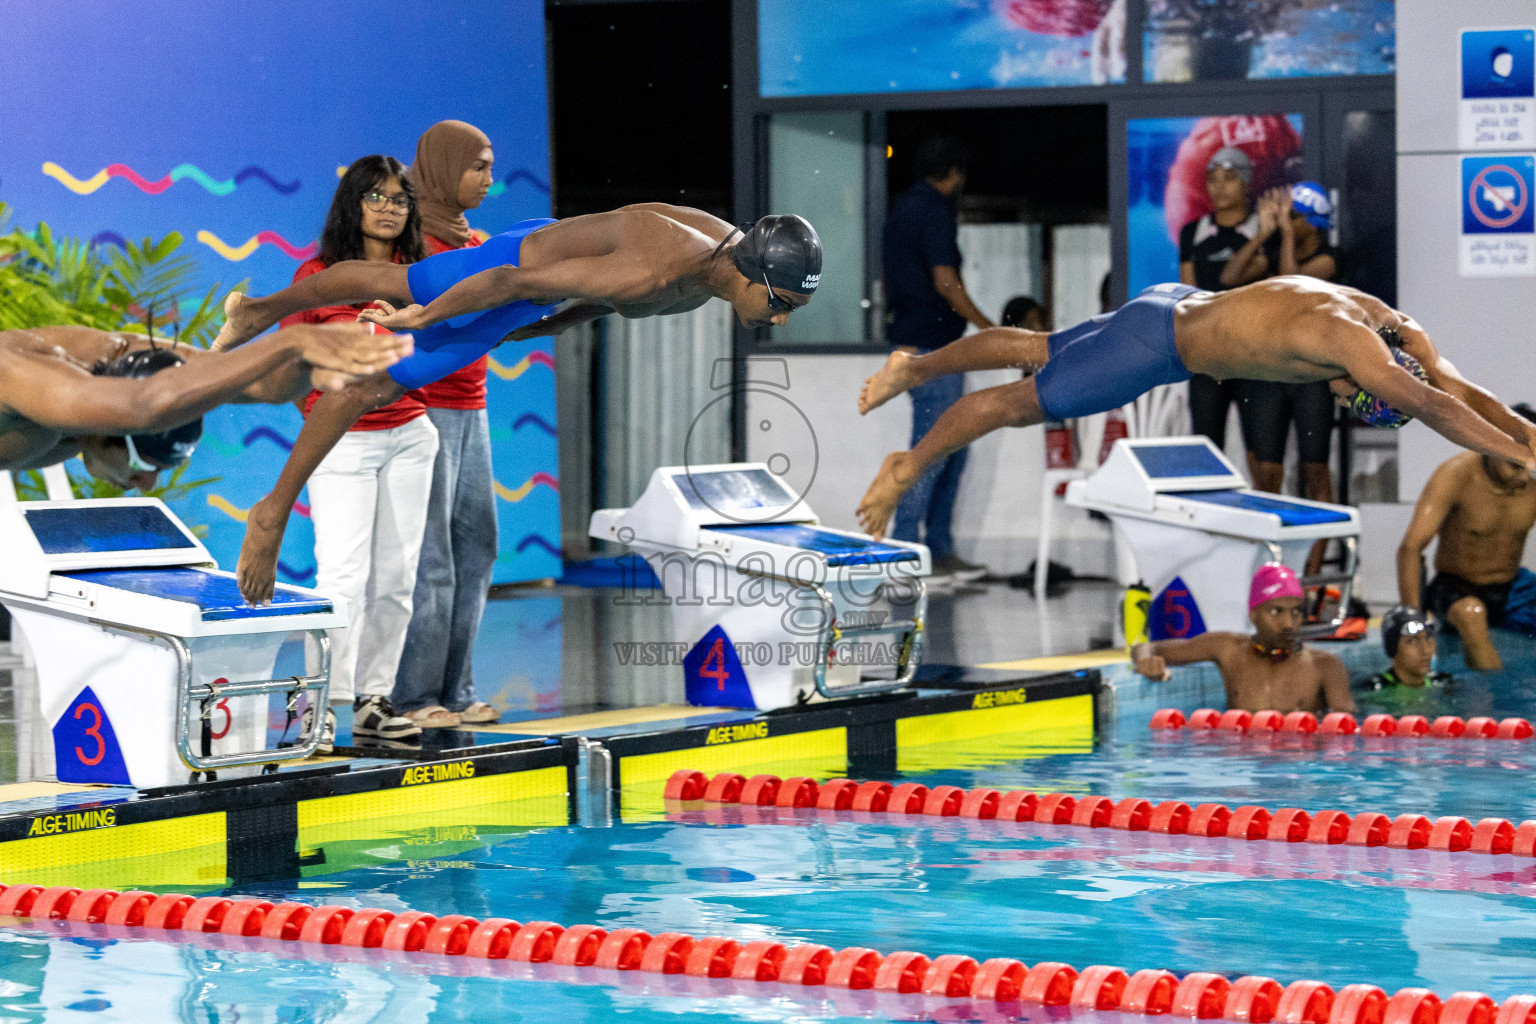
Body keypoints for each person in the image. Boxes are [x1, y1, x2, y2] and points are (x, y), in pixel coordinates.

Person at [213, 205, 821, 604]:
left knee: (386, 314)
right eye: (783, 301)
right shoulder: (661, 273)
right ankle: (271, 508)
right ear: (751, 276)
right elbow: (512, 283)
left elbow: (600, 295)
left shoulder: (716, 264)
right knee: (382, 359)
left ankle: (256, 326)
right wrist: (425, 317)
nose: (785, 318)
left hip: (536, 273)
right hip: (511, 270)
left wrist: (543, 329)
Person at [855, 278, 1536, 541]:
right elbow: (1431, 406)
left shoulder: (1395, 325)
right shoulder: (1352, 344)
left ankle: (912, 365)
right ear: (1366, 385)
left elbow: (1461, 392)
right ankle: (905, 469)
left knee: (1043, 344)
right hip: (1160, 348)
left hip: (1174, 302)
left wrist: (1529, 439)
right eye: (1354, 400)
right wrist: (1514, 455)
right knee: (1015, 404)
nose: (1336, 397)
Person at [280, 155, 439, 751]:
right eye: (376, 197)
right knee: (342, 578)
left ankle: (373, 700)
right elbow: (291, 361)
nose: (389, 208)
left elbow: (447, 341)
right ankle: (323, 705)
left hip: (411, 436)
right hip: (344, 441)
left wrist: (408, 321)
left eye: (400, 199)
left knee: (397, 579)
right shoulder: (319, 275)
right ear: (353, 203)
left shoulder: (420, 275)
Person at [393, 120, 503, 731]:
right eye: (477, 166)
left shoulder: (475, 244)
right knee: (432, 559)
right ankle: (413, 697)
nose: (488, 179)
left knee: (476, 548)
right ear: (441, 167)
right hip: (423, 410)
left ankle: (457, 690)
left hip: (472, 408)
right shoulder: (408, 246)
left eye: (489, 167)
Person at [0, 323, 407, 487]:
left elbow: (259, 381)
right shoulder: (20, 373)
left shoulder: (118, 361)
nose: (147, 486)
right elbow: (142, 406)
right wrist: (290, 340)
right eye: (147, 466)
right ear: (110, 427)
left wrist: (307, 364)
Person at [882, 136, 994, 581]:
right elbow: (945, 280)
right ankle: (909, 550)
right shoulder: (935, 210)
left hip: (916, 342)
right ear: (954, 172)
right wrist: (988, 328)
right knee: (933, 448)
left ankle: (937, 547)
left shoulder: (904, 208)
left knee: (950, 446)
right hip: (932, 347)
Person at [1223, 182, 1341, 509]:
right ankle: (1273, 557)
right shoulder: (1272, 257)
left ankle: (1314, 562)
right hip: (1273, 375)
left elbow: (1293, 286)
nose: (1286, 221)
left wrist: (1285, 235)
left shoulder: (1329, 260)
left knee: (1315, 471)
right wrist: (1262, 234)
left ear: (1314, 221)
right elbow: (1229, 278)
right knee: (1266, 474)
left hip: (1312, 378)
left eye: (1293, 216)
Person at [1397, 409, 1536, 671]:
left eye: (1528, 469)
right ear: (1490, 446)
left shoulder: (1532, 481)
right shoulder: (1455, 476)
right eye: (1515, 467)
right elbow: (1410, 548)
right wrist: (1413, 623)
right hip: (1456, 590)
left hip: (1513, 587)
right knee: (1472, 615)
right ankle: (1500, 707)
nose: (1522, 479)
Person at [1130, 563, 1356, 713]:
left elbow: (1348, 734)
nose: (1288, 623)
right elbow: (1146, 647)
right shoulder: (1228, 649)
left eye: (1295, 612)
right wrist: (1145, 662)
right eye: (1276, 612)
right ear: (1254, 615)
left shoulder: (1325, 666)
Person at [1178, 147, 1258, 452]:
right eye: (1213, 179)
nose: (1219, 187)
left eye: (1229, 178)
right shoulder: (1193, 233)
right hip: (1208, 356)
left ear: (1246, 182)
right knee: (1205, 448)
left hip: (1253, 356)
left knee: (1262, 454)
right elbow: (1190, 296)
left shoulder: (1261, 230)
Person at [1368, 606, 1447, 690]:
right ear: (1392, 648)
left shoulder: (1443, 683)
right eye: (1412, 641)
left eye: (1428, 639)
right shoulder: (1374, 689)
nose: (1425, 650)